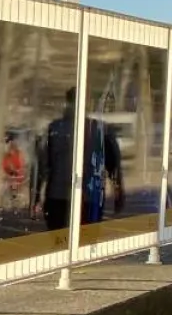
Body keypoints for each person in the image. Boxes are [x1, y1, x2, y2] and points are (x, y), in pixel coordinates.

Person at [34, 89, 123, 233]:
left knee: (59, 242)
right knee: (85, 242)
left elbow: (42, 165)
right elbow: (113, 164)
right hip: (89, 197)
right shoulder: (100, 130)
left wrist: (36, 195)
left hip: (58, 197)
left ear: (67, 103)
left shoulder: (54, 128)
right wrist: (118, 192)